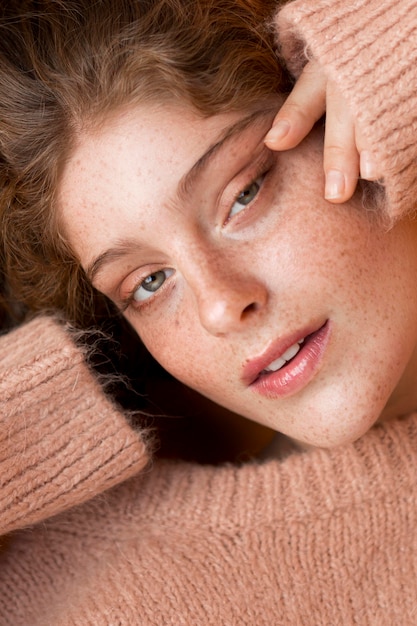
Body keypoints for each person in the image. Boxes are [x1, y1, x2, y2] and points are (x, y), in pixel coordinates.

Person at [0, 0, 417, 623]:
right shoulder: (86, 595)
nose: (223, 306)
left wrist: (396, 41)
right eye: (148, 282)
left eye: (242, 194)